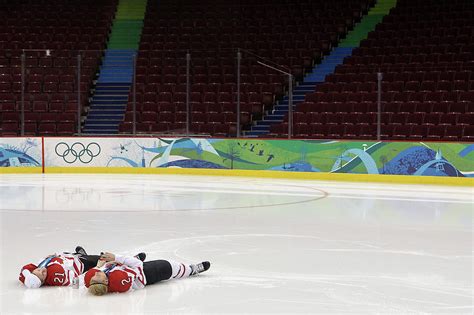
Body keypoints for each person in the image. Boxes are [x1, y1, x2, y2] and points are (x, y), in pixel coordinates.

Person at [84, 252, 210, 296]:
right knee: (171, 266)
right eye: (97, 278)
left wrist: (101, 265)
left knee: (122, 262)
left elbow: (103, 273)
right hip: (149, 272)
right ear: (106, 282)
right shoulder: (119, 280)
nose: (95, 275)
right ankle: (191, 270)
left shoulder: (103, 279)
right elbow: (138, 265)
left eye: (93, 278)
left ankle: (132, 258)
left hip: (131, 270)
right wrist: (116, 257)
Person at [19, 246, 102, 289]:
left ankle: (81, 254)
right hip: (82, 264)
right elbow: (74, 282)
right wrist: (95, 269)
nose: (42, 270)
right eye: (43, 274)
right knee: (102, 258)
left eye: (38, 269)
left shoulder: (38, 268)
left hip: (68, 256)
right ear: (43, 281)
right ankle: (84, 256)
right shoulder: (56, 277)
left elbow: (24, 269)